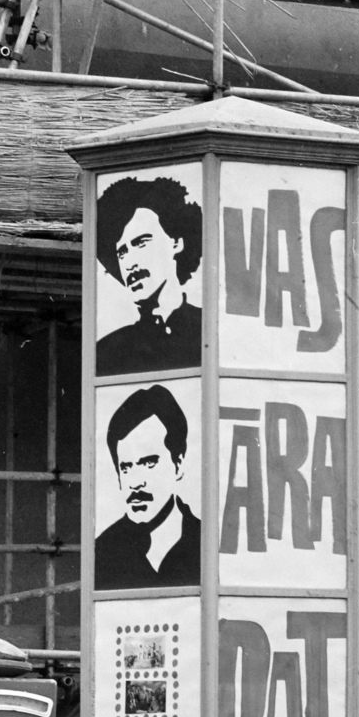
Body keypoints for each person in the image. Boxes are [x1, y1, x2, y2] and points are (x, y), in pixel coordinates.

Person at [94, 384, 201, 590]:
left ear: (178, 464)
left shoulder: (208, 542)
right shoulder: (103, 551)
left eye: (148, 463)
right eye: (125, 468)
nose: (135, 482)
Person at [95, 176, 202, 376]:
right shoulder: (108, 353)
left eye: (141, 243)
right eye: (122, 252)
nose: (130, 263)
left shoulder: (212, 332)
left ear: (176, 242)